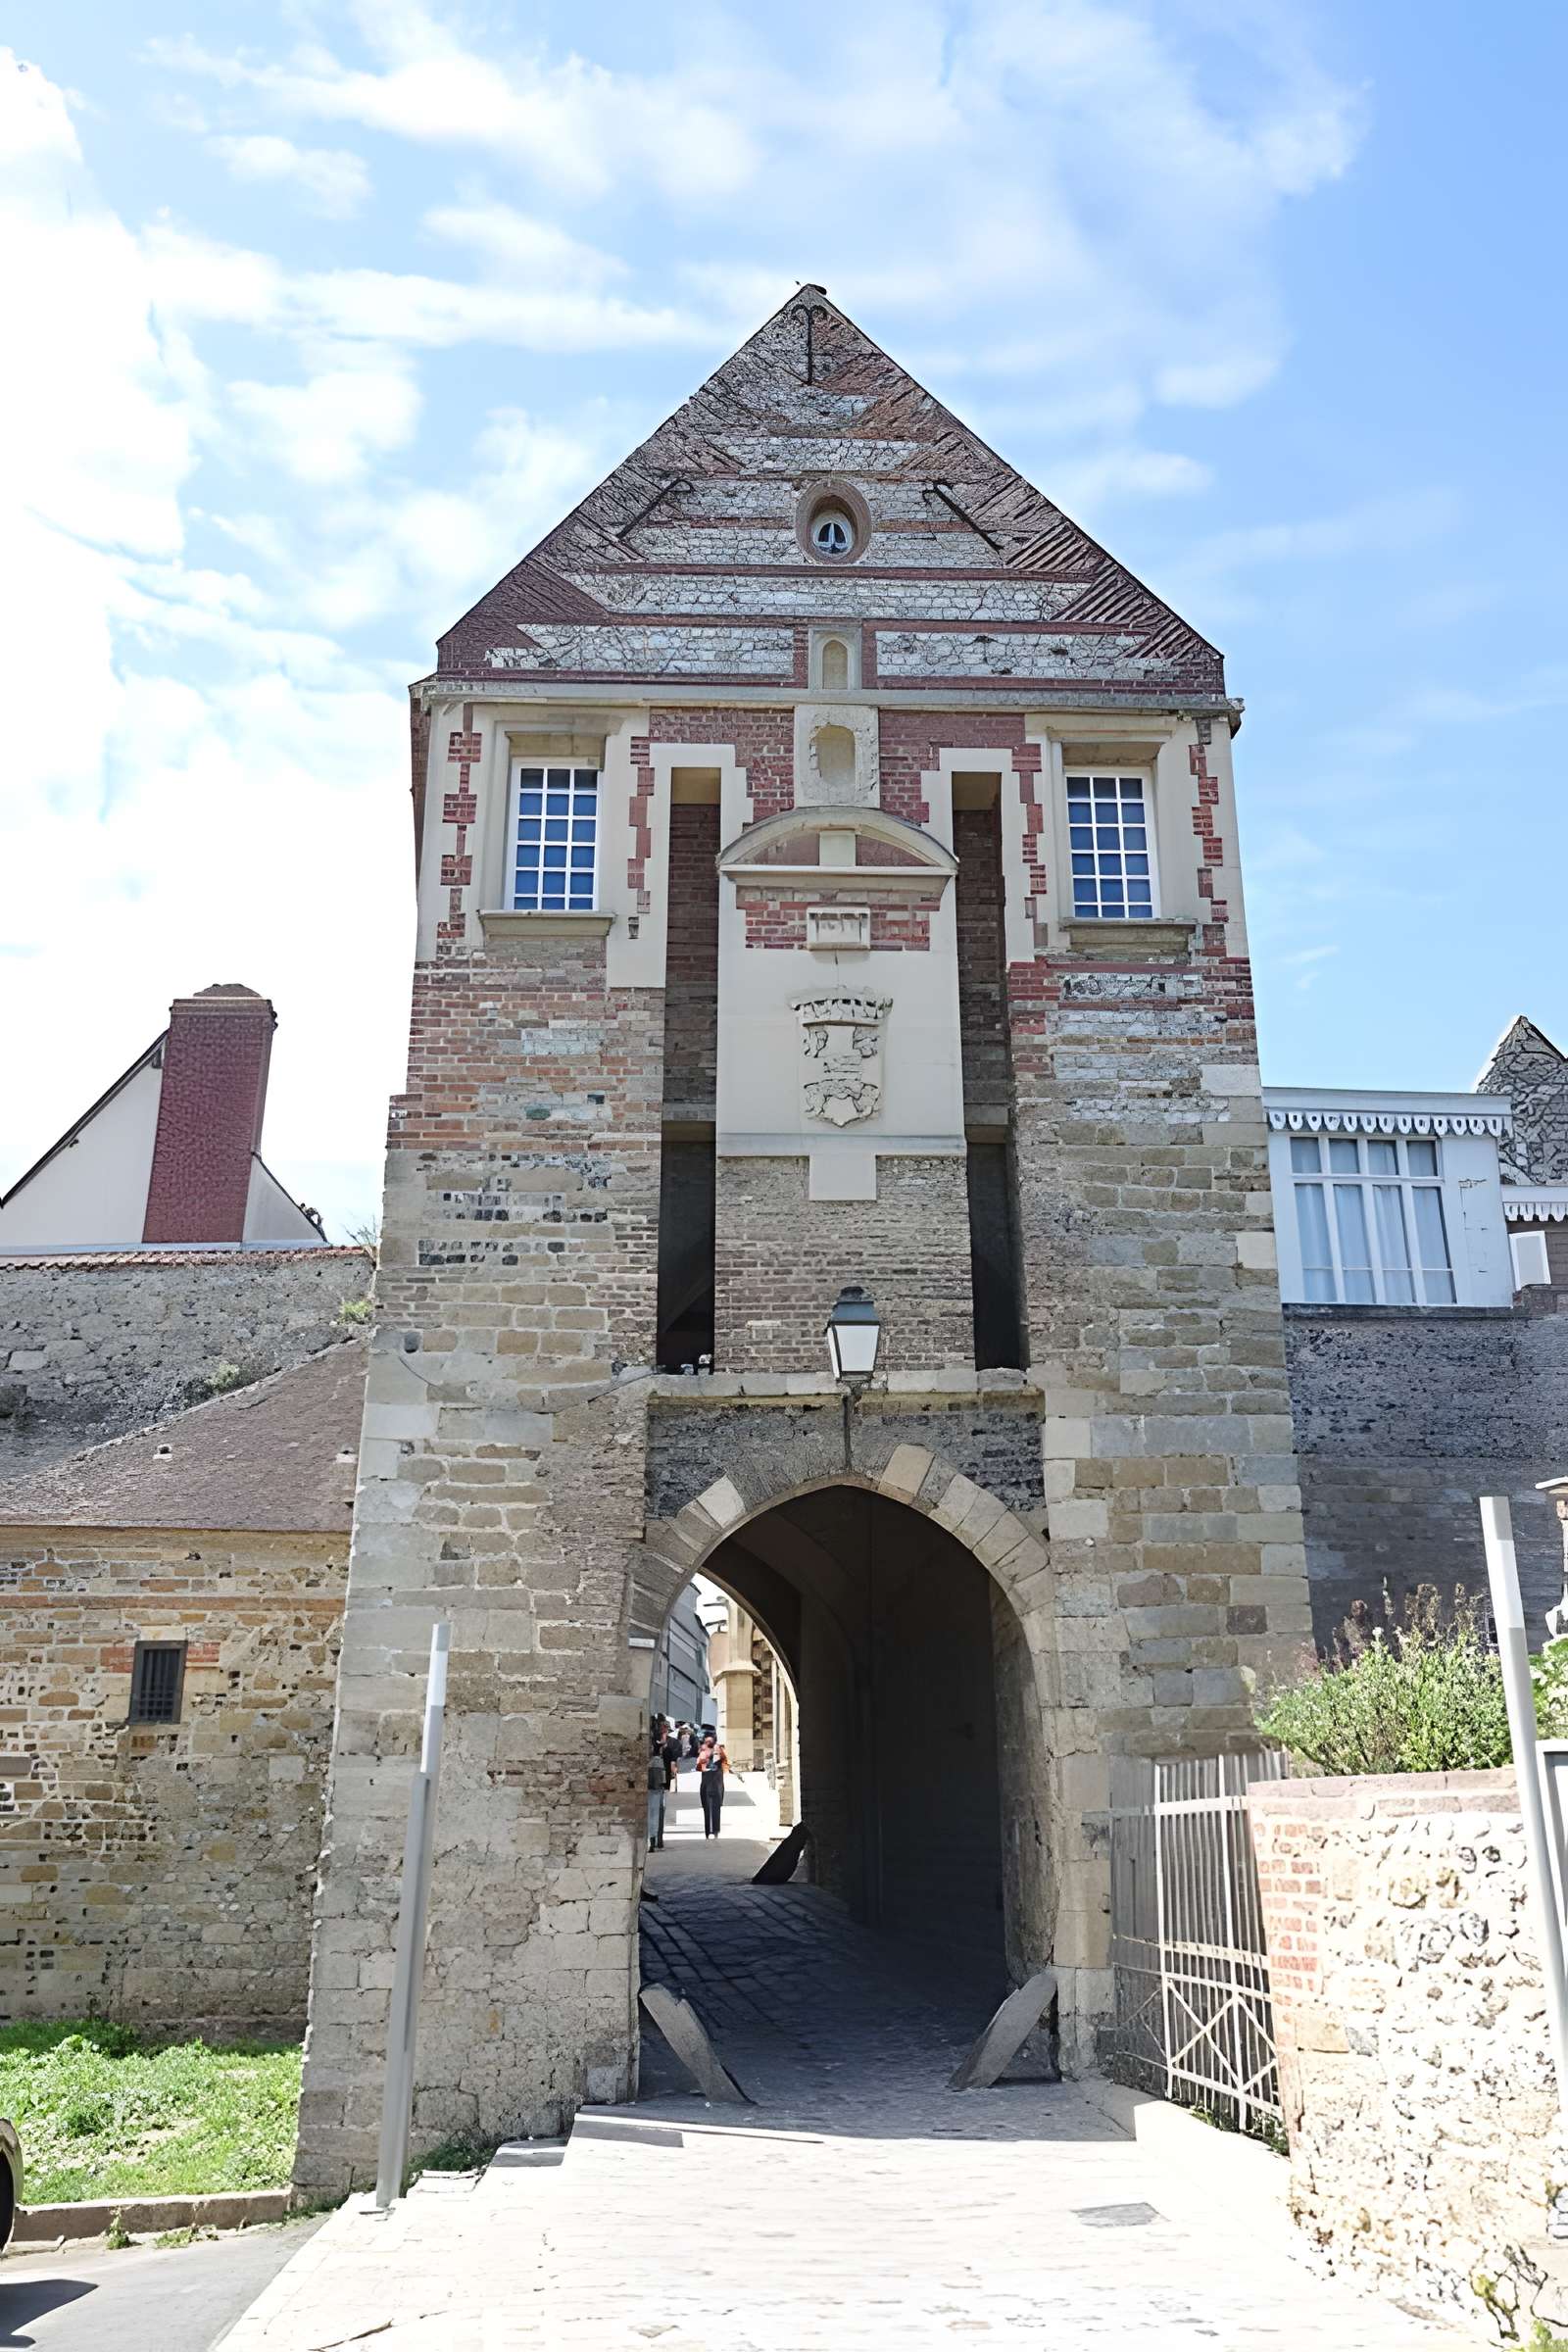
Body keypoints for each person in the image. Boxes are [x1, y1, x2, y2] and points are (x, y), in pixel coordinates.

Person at [698, 1734, 729, 1838]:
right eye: (706, 1742)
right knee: (707, 1808)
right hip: (707, 1784)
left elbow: (725, 1763)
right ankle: (708, 1832)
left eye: (709, 1742)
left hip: (716, 1784)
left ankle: (715, 1831)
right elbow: (699, 1767)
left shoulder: (718, 1751)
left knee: (716, 1808)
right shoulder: (703, 1753)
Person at [646, 1740, 666, 1850]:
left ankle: (652, 1841)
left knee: (652, 1816)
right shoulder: (659, 1762)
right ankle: (655, 1840)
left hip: (652, 1791)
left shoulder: (651, 1762)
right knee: (656, 1816)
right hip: (657, 1792)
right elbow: (662, 1780)